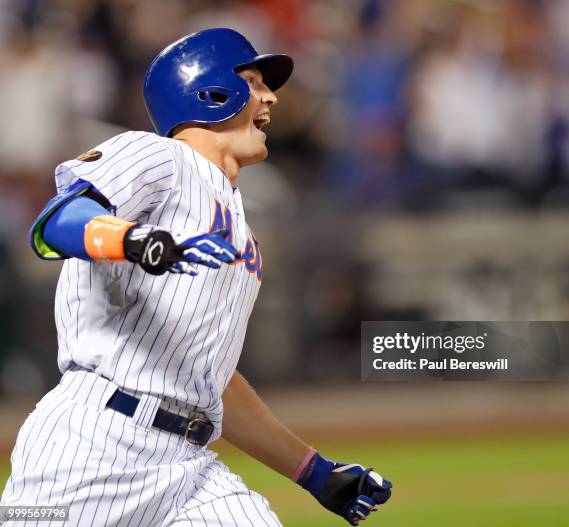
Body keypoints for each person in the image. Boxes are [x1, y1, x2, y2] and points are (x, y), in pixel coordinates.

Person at [0, 28, 392, 526]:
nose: (269, 96)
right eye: (252, 81)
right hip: (89, 448)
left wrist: (315, 473)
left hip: (188, 465)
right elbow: (55, 224)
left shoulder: (240, 233)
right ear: (210, 93)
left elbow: (212, 380)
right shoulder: (158, 156)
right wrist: (134, 240)